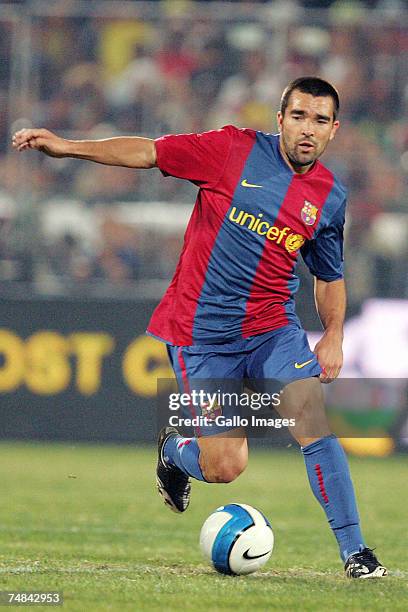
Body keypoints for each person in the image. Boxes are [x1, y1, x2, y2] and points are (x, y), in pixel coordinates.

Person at [13, 76, 387, 579]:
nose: (307, 130)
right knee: (226, 467)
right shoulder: (229, 150)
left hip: (272, 327)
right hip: (203, 334)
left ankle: (356, 553)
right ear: (279, 120)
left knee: (313, 426)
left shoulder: (329, 198)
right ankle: (175, 451)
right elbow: (147, 151)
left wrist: (335, 333)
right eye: (297, 116)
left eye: (319, 121)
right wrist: (67, 147)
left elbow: (328, 276)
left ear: (334, 130)